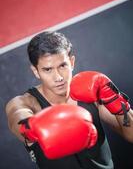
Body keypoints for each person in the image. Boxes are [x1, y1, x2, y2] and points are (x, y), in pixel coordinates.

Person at [5, 31, 133, 169]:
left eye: (62, 66)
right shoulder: (27, 102)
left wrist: (117, 102)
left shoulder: (92, 92)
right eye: (48, 69)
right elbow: (17, 115)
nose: (58, 77)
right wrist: (33, 128)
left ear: (71, 62)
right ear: (36, 71)